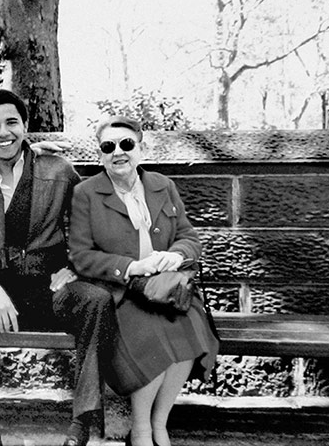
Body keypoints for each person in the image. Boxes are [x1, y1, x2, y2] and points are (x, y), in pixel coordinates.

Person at [0, 89, 116, 446]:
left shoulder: (58, 169)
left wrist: (75, 268)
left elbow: (87, 228)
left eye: (11, 122)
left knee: (97, 301)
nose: (3, 133)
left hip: (51, 289)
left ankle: (80, 426)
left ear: (25, 126)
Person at [68, 116, 219, 446]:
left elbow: (189, 237)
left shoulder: (163, 186)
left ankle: (159, 424)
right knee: (152, 335)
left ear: (141, 148)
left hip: (166, 290)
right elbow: (80, 256)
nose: (118, 152)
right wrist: (131, 267)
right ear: (100, 155)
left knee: (191, 326)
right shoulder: (86, 193)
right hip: (121, 292)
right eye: (108, 147)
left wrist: (177, 255)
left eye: (126, 145)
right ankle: (140, 430)